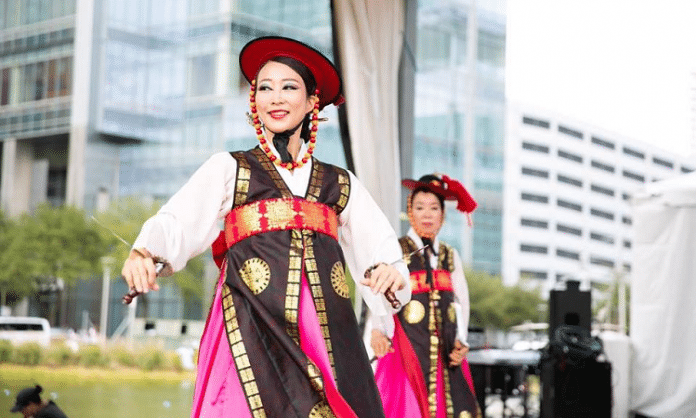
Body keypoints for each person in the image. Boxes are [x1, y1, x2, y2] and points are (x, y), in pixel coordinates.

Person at [121, 36, 410, 418]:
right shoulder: (230, 169)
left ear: (312, 103)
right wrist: (145, 252)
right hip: (250, 324)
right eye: (265, 88)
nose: (275, 97)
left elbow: (381, 249)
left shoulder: (340, 183)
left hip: (324, 334)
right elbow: (177, 222)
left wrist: (388, 271)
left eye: (289, 87)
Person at [370, 174, 481, 418]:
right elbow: (379, 294)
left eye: (433, 208)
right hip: (406, 350)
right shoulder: (396, 250)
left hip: (446, 355)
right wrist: (377, 330)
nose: (427, 214)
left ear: (442, 214)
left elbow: (460, 303)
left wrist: (461, 340)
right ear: (410, 210)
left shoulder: (450, 255)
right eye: (420, 207)